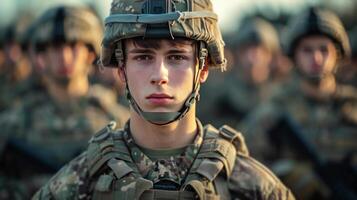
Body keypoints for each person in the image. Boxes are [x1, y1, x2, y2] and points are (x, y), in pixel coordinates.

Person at [32, 1, 295, 199]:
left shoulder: (252, 186)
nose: (160, 75)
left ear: (203, 69)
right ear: (121, 69)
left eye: (177, 57)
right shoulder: (75, 184)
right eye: (143, 57)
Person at [0, 5, 129, 199]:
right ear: (42, 56)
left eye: (74, 46)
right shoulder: (15, 123)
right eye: (56, 48)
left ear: (91, 53)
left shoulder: (117, 121)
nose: (65, 57)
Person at [239, 7, 357, 199]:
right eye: (307, 50)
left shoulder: (353, 107)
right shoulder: (274, 112)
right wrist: (281, 175)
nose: (316, 58)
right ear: (294, 56)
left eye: (323, 49)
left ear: (338, 54)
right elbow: (242, 165)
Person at [198, 17, 282, 127]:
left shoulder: (282, 98)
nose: (253, 58)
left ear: (272, 56)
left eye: (262, 51)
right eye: (246, 50)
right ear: (237, 54)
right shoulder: (219, 100)